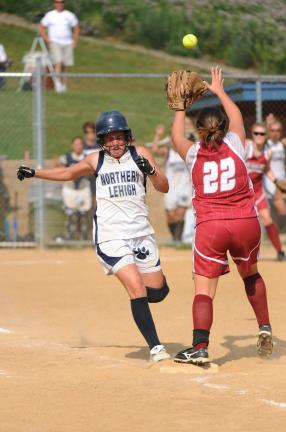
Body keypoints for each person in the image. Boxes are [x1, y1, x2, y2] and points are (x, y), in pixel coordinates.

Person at [17, 110, 171, 362]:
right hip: (111, 236)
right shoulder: (95, 159)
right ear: (101, 141)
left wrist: (151, 170)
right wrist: (35, 173)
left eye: (118, 137)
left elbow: (163, 187)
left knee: (158, 292)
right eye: (108, 138)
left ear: (126, 136)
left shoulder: (140, 153)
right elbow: (67, 173)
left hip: (141, 234)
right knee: (136, 289)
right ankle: (156, 348)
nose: (114, 143)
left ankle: (143, 299)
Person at [171, 66, 273, 365]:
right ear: (223, 127)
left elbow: (177, 135)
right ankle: (264, 326)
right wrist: (219, 90)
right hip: (246, 223)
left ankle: (200, 346)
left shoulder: (193, 153)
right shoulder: (236, 143)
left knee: (203, 287)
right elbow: (237, 118)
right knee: (250, 272)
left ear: (199, 132)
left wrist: (180, 106)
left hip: (212, 226)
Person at [246, 123, 286, 261]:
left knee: (267, 218)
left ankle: (280, 252)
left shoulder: (267, 153)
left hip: (257, 191)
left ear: (266, 136)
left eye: (262, 134)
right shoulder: (246, 147)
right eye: (256, 133)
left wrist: (277, 183)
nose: (259, 136)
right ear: (252, 134)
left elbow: (266, 169)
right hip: (242, 192)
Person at [151, 124, 193, 242]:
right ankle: (174, 237)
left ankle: (177, 240)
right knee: (170, 216)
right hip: (171, 189)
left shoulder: (185, 150)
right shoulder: (168, 152)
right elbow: (154, 150)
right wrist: (158, 135)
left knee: (180, 214)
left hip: (184, 188)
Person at [39, 0, 80, 93]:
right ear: (54, 3)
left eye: (61, 2)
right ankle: (57, 84)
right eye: (57, 2)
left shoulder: (69, 15)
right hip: (55, 42)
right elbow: (42, 27)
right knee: (58, 62)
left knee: (65, 65)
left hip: (67, 42)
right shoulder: (50, 15)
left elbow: (76, 27)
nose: (59, 4)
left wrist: (75, 40)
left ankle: (64, 85)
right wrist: (47, 39)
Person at [59, 136, 92, 240]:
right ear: (72, 146)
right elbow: (60, 169)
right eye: (76, 144)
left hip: (83, 187)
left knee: (84, 214)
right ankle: (70, 238)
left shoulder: (88, 157)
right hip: (70, 188)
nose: (78, 146)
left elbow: (91, 172)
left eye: (80, 144)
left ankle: (84, 238)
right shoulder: (66, 158)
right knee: (71, 214)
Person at [263, 120, 286, 227]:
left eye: (278, 130)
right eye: (272, 130)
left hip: (282, 181)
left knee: (278, 209)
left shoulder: (282, 144)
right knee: (280, 206)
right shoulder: (266, 144)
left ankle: (279, 230)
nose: (275, 133)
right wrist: (267, 124)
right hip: (270, 181)